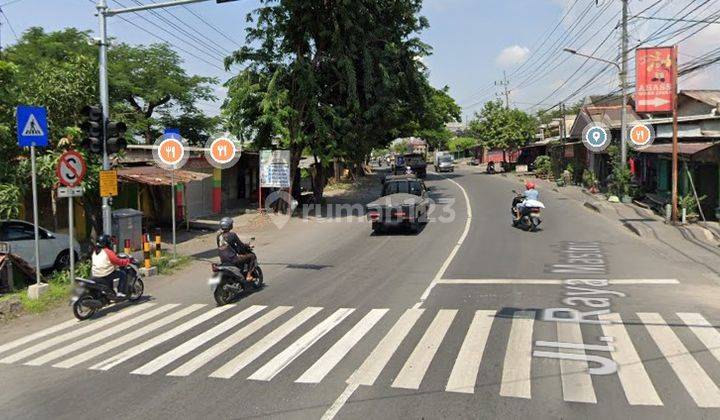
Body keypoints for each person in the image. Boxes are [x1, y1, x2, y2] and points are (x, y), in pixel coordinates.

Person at [216, 217, 256, 281]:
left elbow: (224, 246)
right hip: (232, 259)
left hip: (223, 260)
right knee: (252, 256)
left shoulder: (219, 236)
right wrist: (247, 246)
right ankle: (248, 275)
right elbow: (240, 245)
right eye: (231, 224)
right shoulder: (232, 235)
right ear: (229, 225)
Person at [91, 234, 130, 298]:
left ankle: (110, 292)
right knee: (123, 274)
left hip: (95, 274)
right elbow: (117, 262)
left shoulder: (95, 252)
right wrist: (127, 261)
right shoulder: (108, 251)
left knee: (111, 272)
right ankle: (120, 292)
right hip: (104, 274)